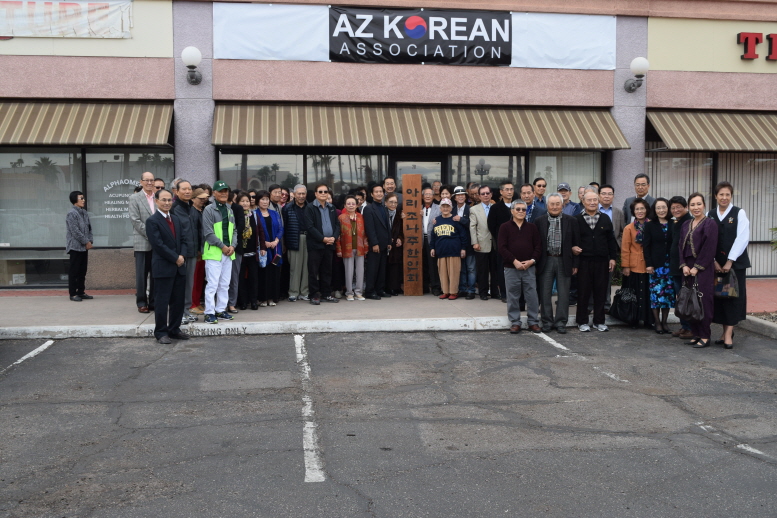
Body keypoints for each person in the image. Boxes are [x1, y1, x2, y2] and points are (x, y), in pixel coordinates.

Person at [145, 189, 189, 344]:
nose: (167, 203)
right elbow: (158, 244)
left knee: (178, 301)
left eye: (169, 200)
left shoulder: (175, 219)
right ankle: (161, 332)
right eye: (163, 200)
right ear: (156, 201)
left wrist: (182, 256)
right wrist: (175, 258)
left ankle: (174, 329)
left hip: (179, 267)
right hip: (163, 267)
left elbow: (183, 239)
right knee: (162, 302)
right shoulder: (152, 221)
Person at [711, 181, 750, 349]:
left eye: (727, 194)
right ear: (716, 196)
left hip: (735, 265)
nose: (724, 197)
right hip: (716, 265)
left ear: (731, 196)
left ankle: (728, 334)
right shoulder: (711, 214)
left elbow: (742, 238)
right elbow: (708, 240)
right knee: (720, 298)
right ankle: (723, 332)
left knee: (733, 298)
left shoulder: (739, 213)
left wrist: (730, 261)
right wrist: (713, 260)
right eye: (721, 194)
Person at [535, 193, 579, 334]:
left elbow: (576, 243)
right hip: (546, 260)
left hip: (564, 260)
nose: (554, 207)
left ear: (562, 205)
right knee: (545, 293)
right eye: (552, 204)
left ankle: (561, 322)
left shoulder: (571, 221)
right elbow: (535, 244)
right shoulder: (539, 221)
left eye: (557, 204)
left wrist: (575, 264)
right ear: (547, 205)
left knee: (564, 294)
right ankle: (547, 322)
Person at [574, 190, 618, 332]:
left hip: (602, 261)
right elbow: (572, 240)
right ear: (583, 202)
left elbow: (611, 240)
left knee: (601, 292)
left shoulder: (605, 218)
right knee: (583, 292)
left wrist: (613, 258)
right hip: (584, 261)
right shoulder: (576, 219)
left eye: (595, 200)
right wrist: (573, 250)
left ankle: (599, 321)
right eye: (589, 200)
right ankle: (582, 321)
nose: (592, 203)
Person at [680, 193, 718, 348]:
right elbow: (680, 246)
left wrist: (697, 267)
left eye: (699, 204)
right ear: (688, 207)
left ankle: (705, 335)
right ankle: (695, 333)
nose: (696, 207)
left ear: (704, 205)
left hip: (703, 268)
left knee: (703, 301)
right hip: (687, 268)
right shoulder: (686, 224)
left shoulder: (710, 224)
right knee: (690, 300)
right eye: (692, 205)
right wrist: (684, 265)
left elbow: (710, 248)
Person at [498, 200, 541, 334]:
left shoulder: (532, 227)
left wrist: (531, 261)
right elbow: (502, 247)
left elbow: (538, 246)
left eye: (523, 209)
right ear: (512, 211)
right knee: (513, 296)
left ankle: (533, 322)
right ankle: (515, 322)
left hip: (529, 267)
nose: (521, 211)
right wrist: (514, 261)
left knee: (532, 295)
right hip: (511, 268)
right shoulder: (504, 227)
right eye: (518, 209)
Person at [202, 180, 237, 324]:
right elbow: (208, 233)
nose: (224, 194)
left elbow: (234, 230)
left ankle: (220, 310)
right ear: (214, 193)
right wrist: (223, 246)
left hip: (228, 253)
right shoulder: (209, 210)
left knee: (224, 284)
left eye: (225, 191)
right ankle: (209, 312)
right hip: (214, 253)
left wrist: (233, 246)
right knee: (212, 284)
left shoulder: (229, 209)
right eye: (220, 191)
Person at [643, 198, 676, 334]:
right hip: (656, 266)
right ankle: (657, 322)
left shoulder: (674, 223)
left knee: (668, 295)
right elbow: (646, 246)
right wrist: (649, 264)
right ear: (654, 210)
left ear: (668, 208)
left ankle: (665, 322)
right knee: (656, 295)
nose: (661, 210)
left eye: (664, 207)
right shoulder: (650, 225)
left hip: (671, 265)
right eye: (658, 208)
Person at [305, 183, 341, 304]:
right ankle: (314, 295)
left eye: (325, 192)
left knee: (327, 271)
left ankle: (326, 294)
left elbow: (337, 225)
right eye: (320, 192)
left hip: (329, 244)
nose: (323, 194)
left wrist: (334, 237)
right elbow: (310, 227)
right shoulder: (310, 207)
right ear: (315, 194)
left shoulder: (332, 207)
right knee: (313, 271)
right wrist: (322, 238)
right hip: (316, 245)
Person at [620, 198, 653, 328]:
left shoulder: (652, 225)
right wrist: (625, 266)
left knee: (647, 294)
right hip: (633, 266)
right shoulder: (629, 228)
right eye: (637, 209)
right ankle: (633, 319)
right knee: (634, 294)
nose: (640, 211)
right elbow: (625, 248)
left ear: (647, 210)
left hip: (649, 265)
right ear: (633, 211)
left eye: (642, 208)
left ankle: (648, 320)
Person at [128, 171, 156, 313]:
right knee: (142, 275)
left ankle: (153, 302)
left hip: (158, 243)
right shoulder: (134, 198)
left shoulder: (159, 197)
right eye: (146, 180)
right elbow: (135, 220)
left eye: (152, 180)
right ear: (141, 182)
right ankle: (141, 302)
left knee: (156, 274)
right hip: (142, 241)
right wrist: (152, 235)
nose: (149, 183)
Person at [171, 180, 199, 323]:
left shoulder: (192, 208)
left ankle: (186, 311)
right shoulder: (174, 208)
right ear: (176, 191)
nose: (187, 191)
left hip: (192, 252)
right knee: (179, 284)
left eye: (189, 189)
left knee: (189, 283)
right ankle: (178, 313)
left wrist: (198, 249)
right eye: (184, 189)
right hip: (180, 254)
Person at [430, 198, 468, 300]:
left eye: (447, 207)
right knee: (443, 273)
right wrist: (432, 248)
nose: (445, 208)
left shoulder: (455, 219)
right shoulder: (437, 220)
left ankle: (453, 292)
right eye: (443, 206)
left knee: (454, 273)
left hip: (454, 251)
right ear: (440, 208)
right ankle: (445, 291)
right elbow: (433, 236)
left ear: (451, 208)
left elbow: (463, 235)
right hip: (441, 251)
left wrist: (463, 248)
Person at [596, 184, 626, 312]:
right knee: (593, 280)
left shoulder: (618, 212)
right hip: (595, 250)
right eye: (603, 193)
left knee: (607, 280)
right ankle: (592, 305)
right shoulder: (593, 209)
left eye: (609, 194)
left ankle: (606, 305)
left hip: (611, 251)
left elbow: (622, 231)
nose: (606, 196)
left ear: (613, 196)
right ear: (599, 195)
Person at [669, 196, 693, 339]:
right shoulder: (677, 222)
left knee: (687, 298)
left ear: (685, 207)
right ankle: (684, 326)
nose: (676, 210)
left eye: (678, 207)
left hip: (685, 267)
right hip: (676, 267)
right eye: (673, 208)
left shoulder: (689, 222)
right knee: (680, 298)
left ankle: (690, 328)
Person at [363, 183, 392, 300]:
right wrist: (374, 243)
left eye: (381, 191)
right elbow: (369, 228)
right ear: (372, 194)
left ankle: (380, 290)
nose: (379, 194)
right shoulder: (368, 209)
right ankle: (370, 291)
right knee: (372, 269)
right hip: (375, 244)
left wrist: (389, 241)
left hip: (384, 243)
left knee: (382, 269)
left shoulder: (384, 207)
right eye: (376, 192)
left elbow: (387, 226)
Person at [336, 195, 368, 301]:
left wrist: (366, 247)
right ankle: (349, 292)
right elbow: (338, 235)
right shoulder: (341, 218)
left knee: (360, 271)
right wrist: (339, 249)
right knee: (348, 271)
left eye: (353, 203)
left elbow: (365, 234)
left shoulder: (361, 217)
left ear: (357, 205)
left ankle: (359, 292)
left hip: (360, 247)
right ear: (345, 205)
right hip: (347, 248)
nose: (351, 205)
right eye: (348, 204)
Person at [487, 181, 515, 302]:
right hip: (502, 244)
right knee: (502, 269)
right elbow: (491, 226)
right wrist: (500, 238)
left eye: (511, 189)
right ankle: (504, 294)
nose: (509, 192)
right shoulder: (495, 208)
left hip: (518, 244)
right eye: (507, 189)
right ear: (501, 192)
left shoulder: (517, 206)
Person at [470, 184, 498, 301]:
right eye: (483, 194)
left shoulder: (496, 207)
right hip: (481, 243)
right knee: (482, 271)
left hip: (495, 244)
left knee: (495, 270)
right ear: (479, 196)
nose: (485, 195)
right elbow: (472, 227)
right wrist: (474, 242)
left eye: (487, 193)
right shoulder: (474, 209)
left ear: (491, 194)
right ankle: (483, 292)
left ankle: (495, 292)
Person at [256, 190, 283, 307]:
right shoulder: (254, 214)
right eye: (262, 199)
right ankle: (263, 298)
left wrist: (276, 241)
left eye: (267, 199)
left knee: (274, 273)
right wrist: (264, 243)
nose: (265, 201)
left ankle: (272, 297)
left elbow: (281, 228)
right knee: (263, 273)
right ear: (258, 201)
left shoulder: (274, 213)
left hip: (275, 247)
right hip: (263, 248)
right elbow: (255, 231)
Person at [237, 192, 265, 310]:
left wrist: (262, 247)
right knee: (241, 278)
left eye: (247, 201)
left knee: (254, 278)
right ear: (238, 203)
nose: (245, 203)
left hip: (253, 252)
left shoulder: (254, 215)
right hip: (240, 252)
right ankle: (243, 302)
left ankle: (254, 301)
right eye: (242, 201)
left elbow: (260, 231)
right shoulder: (235, 215)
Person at [283, 184, 310, 302]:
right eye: (299, 193)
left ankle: (305, 292)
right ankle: (293, 292)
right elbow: (284, 226)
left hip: (308, 239)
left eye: (303, 193)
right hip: (294, 239)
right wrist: (285, 243)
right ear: (294, 194)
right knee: (295, 268)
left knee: (306, 267)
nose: (301, 196)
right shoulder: (287, 208)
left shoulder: (310, 207)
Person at [65, 190, 93, 302]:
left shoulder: (84, 212)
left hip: (84, 247)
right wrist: (86, 241)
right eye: (81, 198)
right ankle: (73, 293)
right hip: (75, 247)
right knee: (74, 271)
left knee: (82, 271)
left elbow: (89, 228)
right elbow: (75, 231)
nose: (83, 200)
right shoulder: (72, 213)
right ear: (74, 200)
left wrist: (90, 241)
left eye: (83, 198)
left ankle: (81, 292)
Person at [452, 186, 475, 299]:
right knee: (461, 269)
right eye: (458, 195)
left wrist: (461, 219)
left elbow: (473, 224)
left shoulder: (471, 209)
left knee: (471, 268)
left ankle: (471, 290)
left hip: (470, 242)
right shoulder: (452, 210)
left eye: (462, 195)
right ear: (455, 198)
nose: (460, 197)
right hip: (457, 243)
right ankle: (462, 289)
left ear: (465, 197)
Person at [226, 192, 247, 313]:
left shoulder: (237, 208)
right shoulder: (214, 208)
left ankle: (232, 303)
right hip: (219, 248)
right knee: (221, 279)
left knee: (234, 277)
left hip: (235, 247)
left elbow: (241, 226)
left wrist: (231, 243)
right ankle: (221, 304)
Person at [188, 188, 209, 316]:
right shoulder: (192, 212)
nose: (203, 200)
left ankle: (197, 302)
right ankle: (192, 304)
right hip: (197, 251)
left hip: (204, 249)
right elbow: (194, 233)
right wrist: (197, 250)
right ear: (193, 199)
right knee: (194, 279)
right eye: (200, 198)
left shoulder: (202, 211)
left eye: (204, 198)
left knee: (200, 278)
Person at [421, 186, 442, 295]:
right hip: (420, 240)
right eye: (426, 194)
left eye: (430, 194)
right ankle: (424, 287)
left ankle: (435, 287)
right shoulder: (417, 207)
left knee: (433, 264)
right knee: (422, 263)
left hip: (433, 239)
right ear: (422, 196)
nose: (428, 196)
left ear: (433, 196)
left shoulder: (438, 208)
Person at [385, 192, 404, 296]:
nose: (393, 204)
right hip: (385, 243)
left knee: (395, 266)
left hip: (396, 244)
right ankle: (387, 288)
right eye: (391, 202)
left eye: (395, 202)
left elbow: (402, 230)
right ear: (386, 203)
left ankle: (395, 287)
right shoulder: (383, 213)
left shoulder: (399, 214)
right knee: (385, 266)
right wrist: (388, 239)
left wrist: (400, 238)